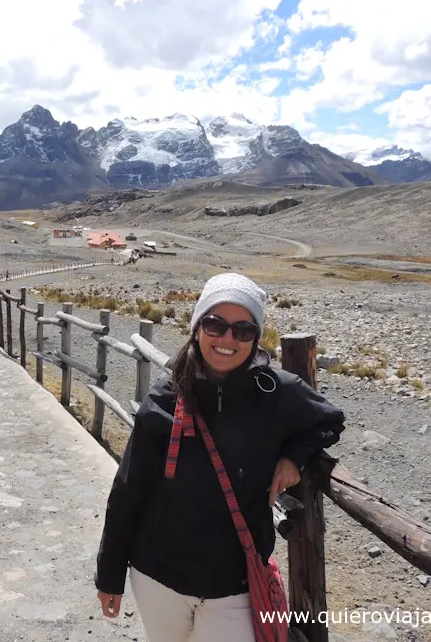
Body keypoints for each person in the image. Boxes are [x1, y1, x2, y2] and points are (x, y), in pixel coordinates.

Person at [94, 272, 345, 641]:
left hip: (236, 581)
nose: (227, 339)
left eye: (242, 330)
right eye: (215, 324)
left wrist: (295, 456)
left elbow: (330, 420)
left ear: (255, 338)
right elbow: (128, 490)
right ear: (197, 328)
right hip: (157, 577)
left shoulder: (275, 393)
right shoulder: (165, 400)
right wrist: (110, 574)